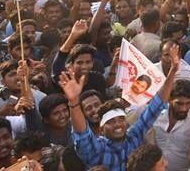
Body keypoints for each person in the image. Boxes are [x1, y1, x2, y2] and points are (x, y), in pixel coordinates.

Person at [59, 42, 182, 171]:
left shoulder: (133, 137)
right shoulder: (96, 150)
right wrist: (73, 101)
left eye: (121, 119)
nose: (118, 124)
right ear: (101, 129)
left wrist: (173, 71)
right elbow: (82, 134)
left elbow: (156, 105)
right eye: (111, 121)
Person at [146, 79, 190, 171]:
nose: (184, 108)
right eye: (179, 104)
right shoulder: (156, 113)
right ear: (169, 99)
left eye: (188, 103)